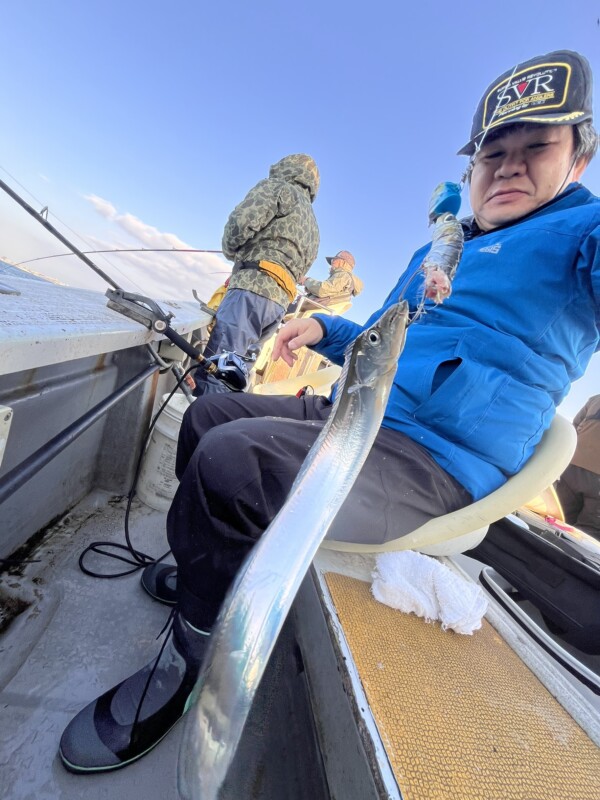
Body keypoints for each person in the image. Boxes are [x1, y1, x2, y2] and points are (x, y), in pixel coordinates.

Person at [59, 49, 600, 773]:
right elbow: (383, 333)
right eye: (492, 153)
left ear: (579, 159)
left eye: (537, 148)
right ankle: (209, 575)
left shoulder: (583, 237)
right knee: (207, 418)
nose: (508, 168)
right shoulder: (444, 244)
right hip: (359, 414)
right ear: (471, 168)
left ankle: (189, 655)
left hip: (433, 460)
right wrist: (323, 327)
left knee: (233, 464)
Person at [193, 153, 320, 395]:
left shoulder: (279, 188)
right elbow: (304, 269)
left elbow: (240, 225)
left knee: (218, 369)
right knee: (238, 375)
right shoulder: (313, 224)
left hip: (251, 291)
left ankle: (199, 418)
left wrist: (231, 250)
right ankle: (220, 418)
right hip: (278, 306)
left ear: (285, 167)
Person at [555, 394, 600, 538]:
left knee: (560, 517)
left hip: (572, 467)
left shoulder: (595, 399)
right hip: (596, 479)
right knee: (589, 532)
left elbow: (574, 427)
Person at [299, 249, 364, 307]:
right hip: (312, 307)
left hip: (309, 307)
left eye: (333, 260)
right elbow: (330, 294)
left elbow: (322, 290)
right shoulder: (346, 279)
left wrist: (306, 280)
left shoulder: (343, 276)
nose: (331, 263)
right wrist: (311, 290)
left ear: (342, 262)